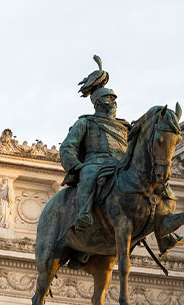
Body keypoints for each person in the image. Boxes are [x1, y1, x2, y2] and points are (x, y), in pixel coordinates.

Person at [60, 56, 130, 231]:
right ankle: (83, 213)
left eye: (114, 99)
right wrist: (76, 166)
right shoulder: (85, 123)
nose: (113, 102)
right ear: (98, 102)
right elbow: (68, 147)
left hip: (121, 166)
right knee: (89, 174)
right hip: (95, 164)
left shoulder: (125, 127)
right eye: (108, 99)